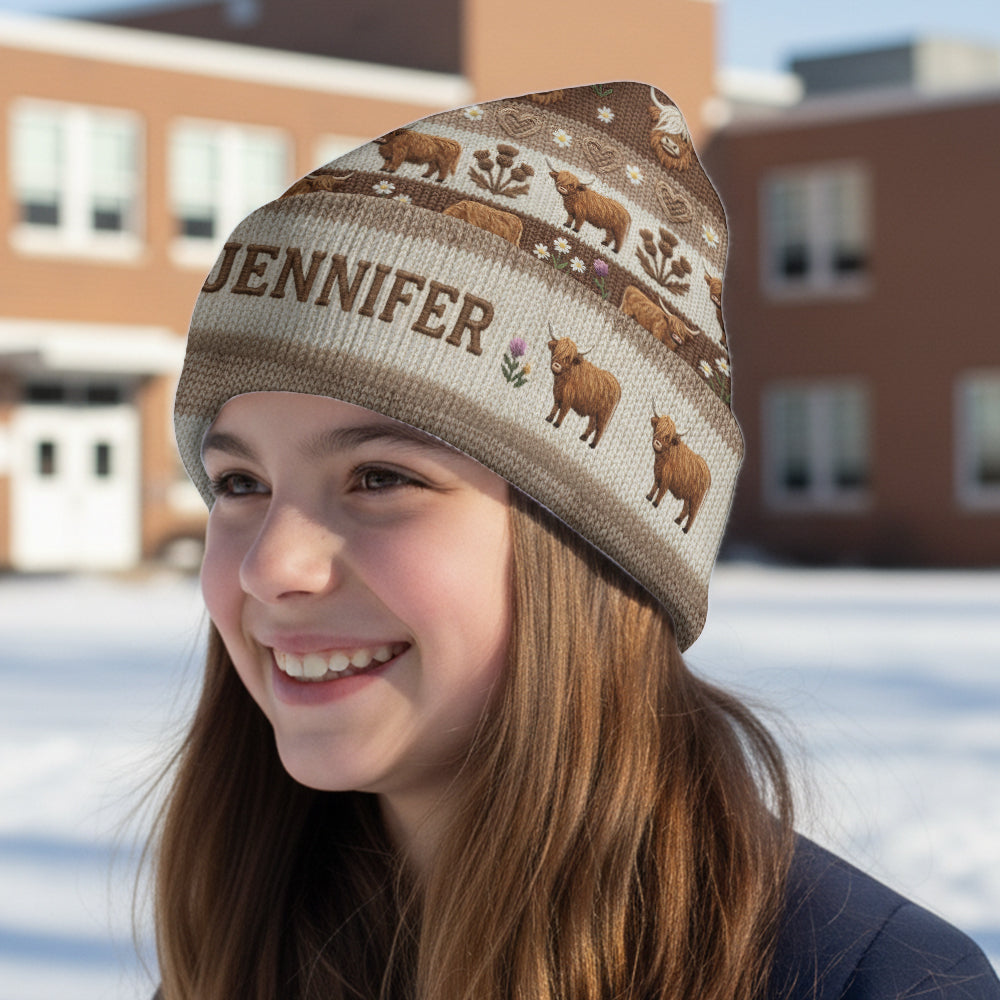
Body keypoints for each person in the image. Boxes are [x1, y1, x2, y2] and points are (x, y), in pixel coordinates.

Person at [155, 82, 999, 1000]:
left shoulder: (879, 983)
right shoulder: (239, 952)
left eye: (382, 478)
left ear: (595, 543)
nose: (271, 567)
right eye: (239, 484)